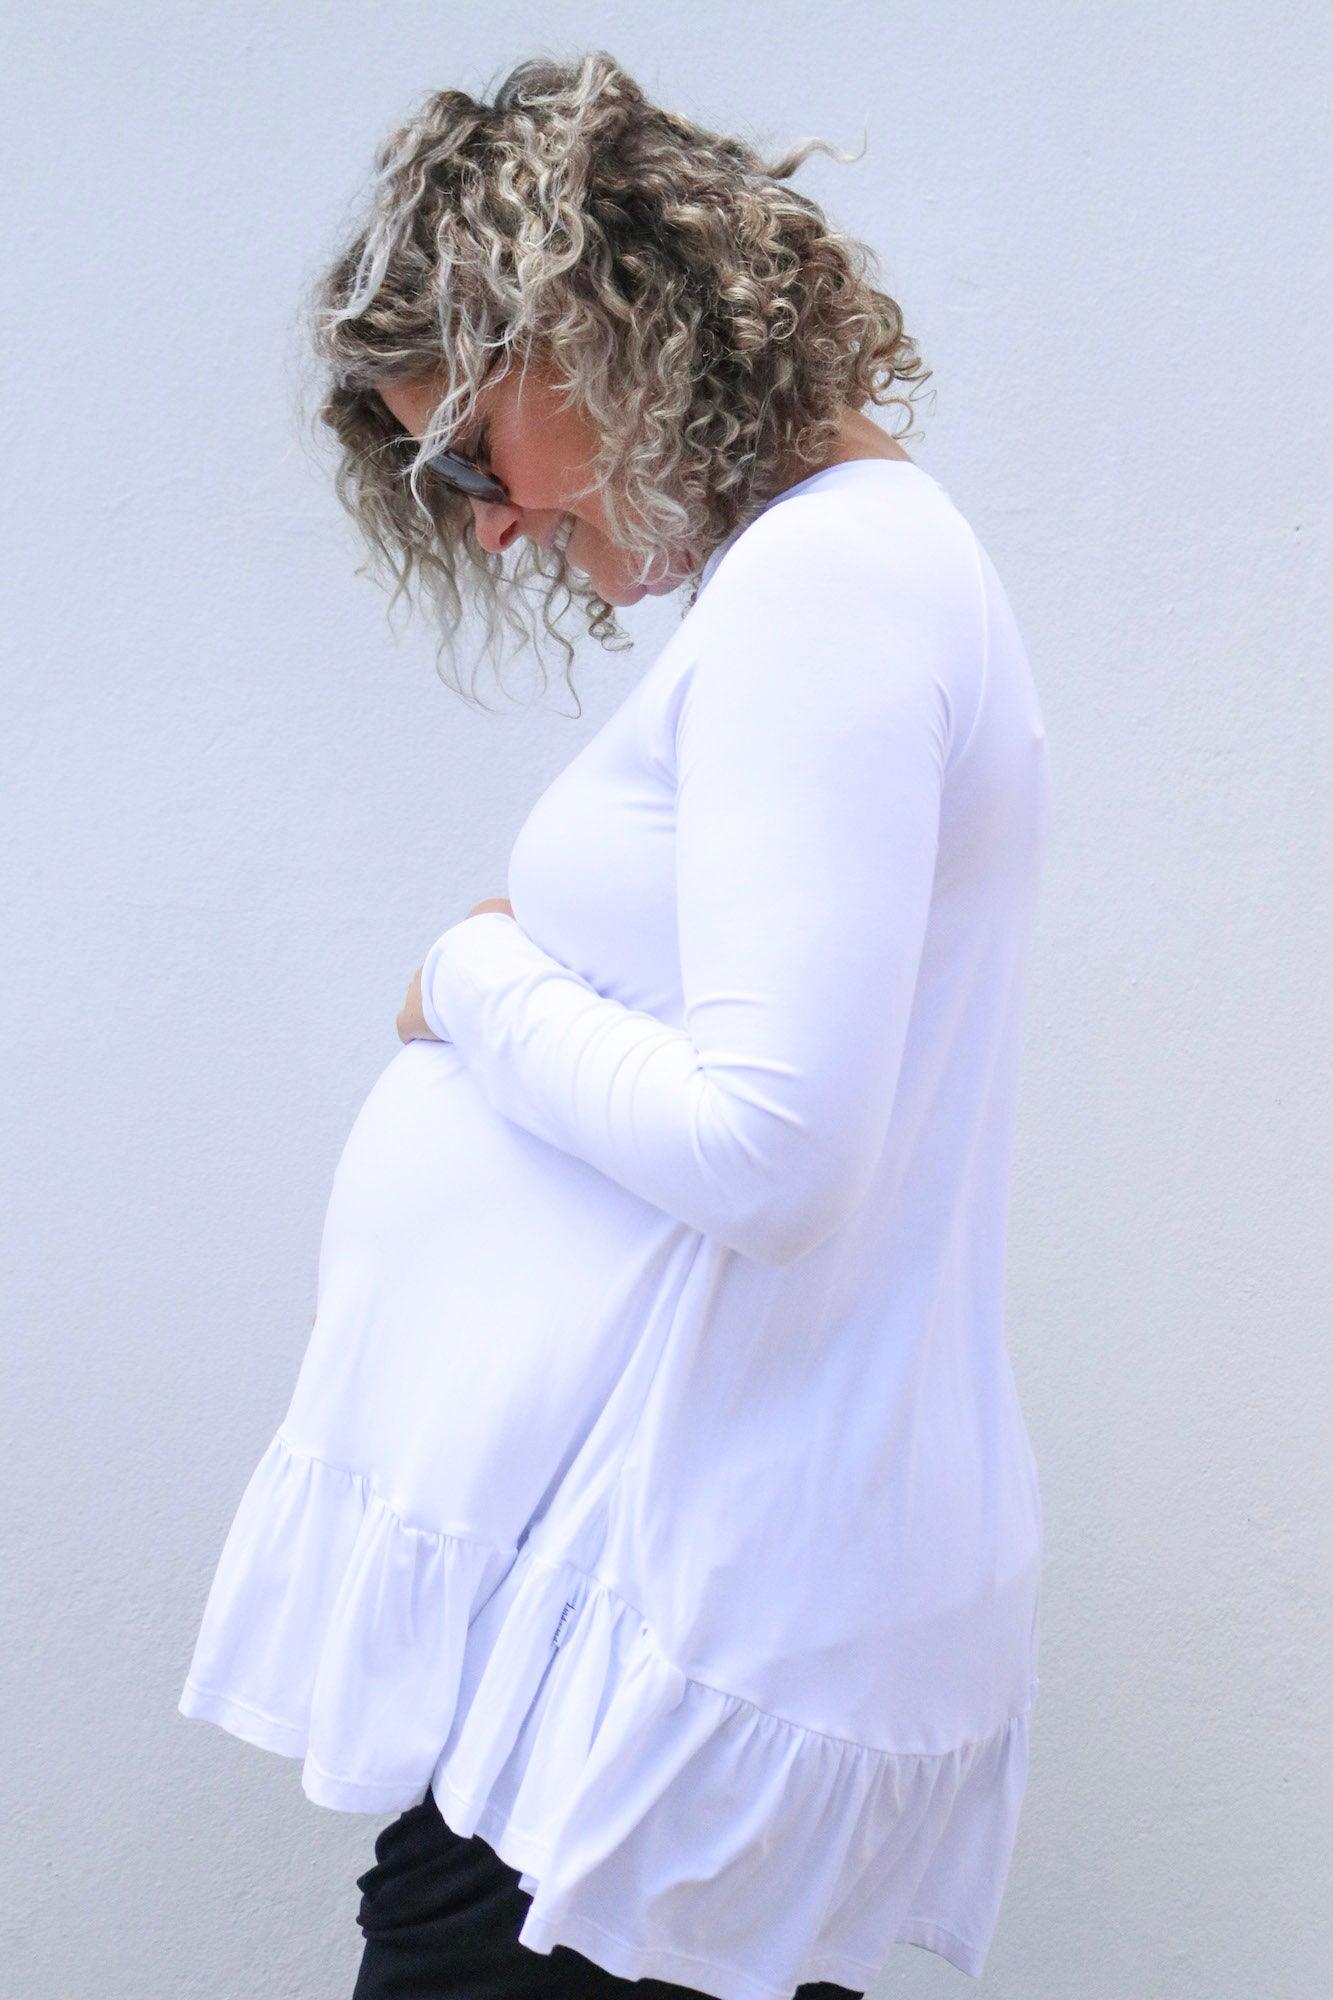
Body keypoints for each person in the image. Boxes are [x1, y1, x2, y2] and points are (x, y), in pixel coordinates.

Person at [178, 50, 1051, 2000]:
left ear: (584, 333)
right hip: (630, 1620)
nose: (483, 527)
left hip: (669, 1631)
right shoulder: (832, 573)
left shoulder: (831, 586)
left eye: (470, 454)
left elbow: (770, 1147)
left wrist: (473, 975)